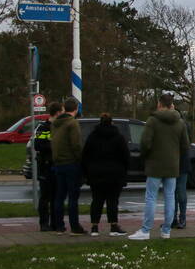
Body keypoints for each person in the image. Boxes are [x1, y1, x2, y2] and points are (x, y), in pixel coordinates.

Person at [130, 93, 189, 241]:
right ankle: (166, 230)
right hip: (172, 165)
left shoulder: (152, 121)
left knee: (151, 197)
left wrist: (146, 156)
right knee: (170, 197)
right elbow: (185, 146)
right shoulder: (180, 123)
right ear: (172, 105)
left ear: (159, 104)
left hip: (155, 164)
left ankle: (145, 230)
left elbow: (145, 143)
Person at [82, 113, 130, 236]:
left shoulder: (92, 137)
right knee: (112, 201)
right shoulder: (118, 137)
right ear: (111, 122)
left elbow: (86, 155)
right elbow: (125, 156)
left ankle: (94, 227)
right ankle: (113, 226)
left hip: (96, 174)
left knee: (97, 200)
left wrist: (87, 171)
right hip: (114, 174)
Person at [50, 97, 85, 234]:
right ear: (76, 109)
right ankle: (75, 226)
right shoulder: (72, 123)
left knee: (59, 196)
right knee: (73, 196)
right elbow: (76, 144)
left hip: (58, 163)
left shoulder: (55, 123)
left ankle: (59, 226)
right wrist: (80, 159)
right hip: (71, 163)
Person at [32, 101, 63, 231]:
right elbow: (37, 145)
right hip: (45, 166)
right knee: (45, 197)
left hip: (57, 165)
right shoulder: (43, 127)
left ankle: (56, 223)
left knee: (57, 196)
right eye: (62, 111)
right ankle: (44, 224)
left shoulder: (60, 127)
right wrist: (53, 146)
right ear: (58, 113)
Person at [174, 109, 192, 229]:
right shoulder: (184, 125)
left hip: (179, 162)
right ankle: (177, 218)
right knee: (176, 192)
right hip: (179, 162)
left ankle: (180, 218)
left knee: (178, 192)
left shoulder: (182, 126)